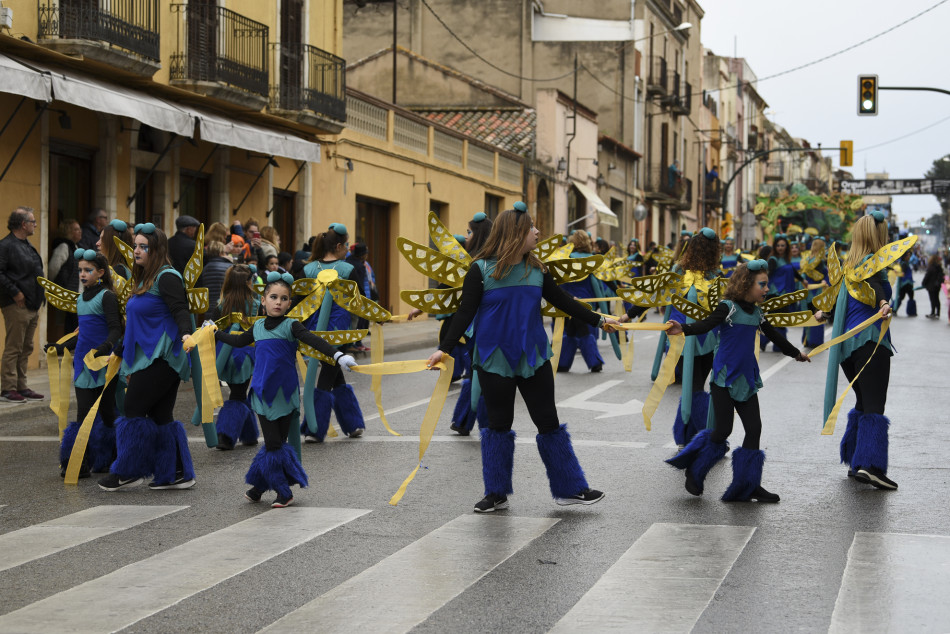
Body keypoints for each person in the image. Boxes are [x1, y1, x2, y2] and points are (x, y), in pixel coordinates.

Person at [428, 202, 619, 513]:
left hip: (534, 356)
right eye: (532, 227)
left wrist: (600, 320)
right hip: (494, 358)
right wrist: (445, 349)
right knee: (499, 425)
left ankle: (571, 489)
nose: (537, 232)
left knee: (549, 422)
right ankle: (496, 493)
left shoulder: (537, 269)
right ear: (516, 233)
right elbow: (464, 313)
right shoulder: (480, 270)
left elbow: (564, 301)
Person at [665, 260, 811, 502]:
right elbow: (707, 324)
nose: (766, 289)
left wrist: (796, 353)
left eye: (766, 285)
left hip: (746, 380)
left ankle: (748, 485)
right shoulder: (728, 307)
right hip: (723, 379)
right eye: (762, 285)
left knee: (754, 429)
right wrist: (683, 328)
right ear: (746, 284)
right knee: (723, 429)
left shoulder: (757, 313)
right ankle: (695, 469)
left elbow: (774, 334)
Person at [215, 272, 357, 507]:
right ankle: (282, 490)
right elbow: (239, 341)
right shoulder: (258, 326)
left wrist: (338, 355)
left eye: (283, 298)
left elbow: (314, 340)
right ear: (263, 300)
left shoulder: (292, 326)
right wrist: (214, 332)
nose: (278, 302)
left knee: (276, 443)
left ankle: (259, 487)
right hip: (261, 394)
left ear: (289, 303)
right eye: (273, 297)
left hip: (285, 394)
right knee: (273, 444)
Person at [98, 223, 196, 492]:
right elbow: (134, 324)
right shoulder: (143, 279)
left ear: (157, 250)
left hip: (164, 355)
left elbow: (180, 310)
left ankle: (129, 470)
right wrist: (117, 351)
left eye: (144, 246)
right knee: (160, 413)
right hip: (145, 354)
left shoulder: (167, 277)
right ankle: (177, 473)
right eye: (136, 245)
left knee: (132, 409)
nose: (137, 251)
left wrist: (187, 334)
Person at [819, 211, 898, 490]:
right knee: (875, 405)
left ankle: (856, 460)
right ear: (879, 235)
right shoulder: (873, 264)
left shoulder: (846, 267)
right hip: (869, 342)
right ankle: (871, 466)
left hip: (847, 349)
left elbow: (837, 302)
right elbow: (876, 287)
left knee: (863, 402)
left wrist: (822, 313)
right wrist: (885, 302)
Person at [49, 250, 123, 477]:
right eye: (80, 270)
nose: (82, 274)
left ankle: (114, 458)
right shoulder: (81, 299)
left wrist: (105, 346)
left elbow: (116, 328)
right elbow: (82, 332)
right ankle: (78, 462)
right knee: (83, 413)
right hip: (83, 363)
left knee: (108, 412)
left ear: (100, 273)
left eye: (87, 270)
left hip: (103, 362)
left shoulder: (107, 297)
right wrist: (61, 346)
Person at [301, 223, 366, 442]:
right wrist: (372, 320)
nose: (348, 248)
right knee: (329, 374)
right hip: (339, 328)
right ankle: (315, 427)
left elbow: (300, 300)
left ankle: (352, 423)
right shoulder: (347, 269)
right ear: (338, 246)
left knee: (333, 371)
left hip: (314, 327)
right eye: (346, 244)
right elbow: (361, 301)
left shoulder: (309, 269)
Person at [208, 264, 260, 450]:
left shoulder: (222, 304)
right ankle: (225, 435)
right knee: (238, 395)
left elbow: (213, 329)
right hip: (245, 355)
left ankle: (249, 434)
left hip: (224, 354)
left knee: (238, 393)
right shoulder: (256, 304)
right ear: (247, 282)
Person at [0, 207, 45, 402]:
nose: (35, 224)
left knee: (26, 347)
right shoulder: (6, 245)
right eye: (33, 221)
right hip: (16, 304)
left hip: (33, 305)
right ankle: (8, 389)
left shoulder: (26, 244)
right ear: (23, 224)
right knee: (14, 347)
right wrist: (15, 292)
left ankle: (21, 385)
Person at [557, 231, 607, 373]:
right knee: (574, 330)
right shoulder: (592, 259)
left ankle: (590, 361)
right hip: (587, 300)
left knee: (575, 330)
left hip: (569, 299)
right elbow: (598, 282)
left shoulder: (567, 258)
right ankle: (567, 362)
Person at [49, 219, 82, 333]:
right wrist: (53, 286)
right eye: (76, 229)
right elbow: (53, 268)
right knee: (70, 323)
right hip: (66, 292)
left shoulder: (76, 247)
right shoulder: (64, 246)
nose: (80, 232)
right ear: (68, 231)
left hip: (77, 293)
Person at [196, 240, 232, 319]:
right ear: (221, 253)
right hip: (225, 307)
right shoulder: (229, 267)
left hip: (209, 308)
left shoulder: (204, 268)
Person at [893, 251, 916, 316]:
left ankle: (894, 309)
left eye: (909, 255)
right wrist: (896, 272)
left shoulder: (906, 263)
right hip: (905, 283)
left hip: (908, 283)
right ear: (904, 256)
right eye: (907, 255)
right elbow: (902, 273)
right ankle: (894, 309)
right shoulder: (904, 263)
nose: (909, 257)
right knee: (903, 297)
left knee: (907, 297)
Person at [922, 254, 945, 319]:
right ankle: (938, 313)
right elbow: (941, 276)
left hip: (931, 286)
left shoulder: (931, 267)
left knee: (932, 300)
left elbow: (927, 276)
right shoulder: (939, 267)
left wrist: (923, 283)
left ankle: (933, 312)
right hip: (937, 286)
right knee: (937, 299)